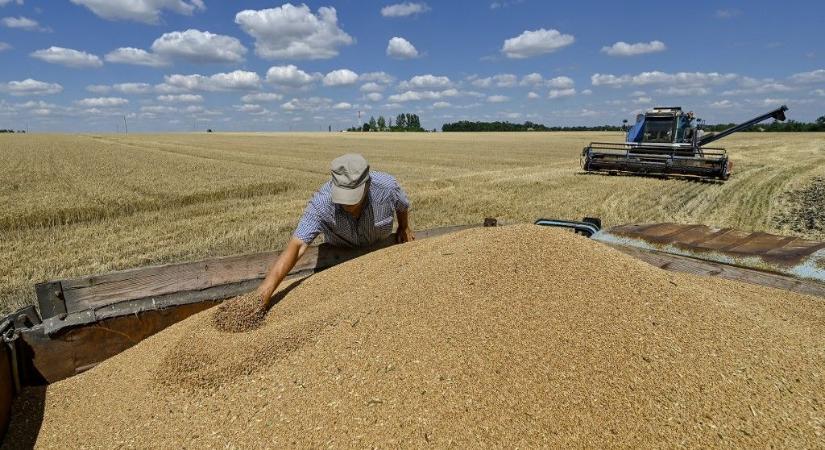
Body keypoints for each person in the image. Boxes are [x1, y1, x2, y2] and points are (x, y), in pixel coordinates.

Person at [256, 153, 414, 309]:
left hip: (380, 257)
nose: (348, 206)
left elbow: (402, 205)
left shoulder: (387, 187)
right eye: (343, 199)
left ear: (367, 185)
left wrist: (403, 226)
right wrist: (264, 293)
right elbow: (297, 245)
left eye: (353, 199)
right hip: (340, 264)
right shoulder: (322, 202)